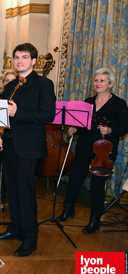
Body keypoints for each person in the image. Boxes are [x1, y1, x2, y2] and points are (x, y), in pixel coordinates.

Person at [0, 43, 56, 257]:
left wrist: (19, 112)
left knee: (26, 193)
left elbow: (48, 115)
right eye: (16, 57)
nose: (19, 61)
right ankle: (15, 229)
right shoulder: (12, 85)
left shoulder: (44, 84)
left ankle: (30, 238)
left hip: (28, 148)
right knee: (12, 191)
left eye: (24, 57)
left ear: (34, 61)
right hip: (8, 145)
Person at [56, 68, 128, 234]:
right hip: (84, 148)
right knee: (75, 180)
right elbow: (83, 124)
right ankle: (68, 209)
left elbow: (125, 126)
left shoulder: (119, 104)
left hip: (104, 152)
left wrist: (110, 131)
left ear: (111, 84)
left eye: (102, 81)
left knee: (97, 186)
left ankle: (95, 220)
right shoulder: (87, 102)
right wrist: (74, 128)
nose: (98, 83)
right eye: (96, 80)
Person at [0, 69, 18, 212]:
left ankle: (15, 200)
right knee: (0, 172)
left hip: (16, 142)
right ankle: (1, 200)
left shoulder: (20, 101)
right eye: (7, 81)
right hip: (0, 141)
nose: (9, 83)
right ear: (3, 83)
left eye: (13, 81)